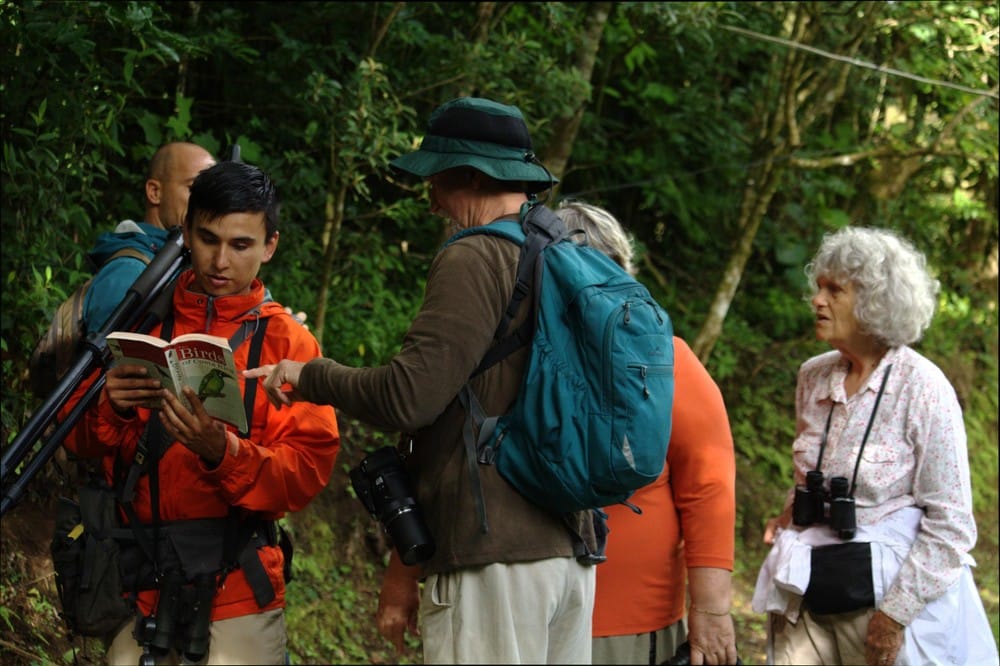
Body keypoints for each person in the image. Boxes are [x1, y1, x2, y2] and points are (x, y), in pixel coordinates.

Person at [246, 97, 600, 664]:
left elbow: (409, 397)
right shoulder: (561, 254)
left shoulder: (476, 256)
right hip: (569, 554)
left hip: (493, 562)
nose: (431, 197)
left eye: (437, 177)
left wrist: (309, 375)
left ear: (471, 174)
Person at [61, 160, 341, 664]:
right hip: (140, 579)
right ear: (186, 232)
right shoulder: (143, 319)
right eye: (208, 238)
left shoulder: (288, 343)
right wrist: (111, 407)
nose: (220, 261)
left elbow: (306, 472)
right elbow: (75, 440)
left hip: (239, 586)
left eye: (241, 245)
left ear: (270, 246)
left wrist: (224, 453)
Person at [752, 227, 997, 666]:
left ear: (874, 302)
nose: (817, 300)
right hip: (806, 590)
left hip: (884, 601)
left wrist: (895, 615)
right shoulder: (813, 376)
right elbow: (812, 472)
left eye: (834, 290)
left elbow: (952, 523)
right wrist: (789, 514)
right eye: (818, 287)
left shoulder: (922, 386)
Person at [554, 201, 739, 666]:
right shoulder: (519, 361)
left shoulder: (666, 362)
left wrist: (712, 609)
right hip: (535, 609)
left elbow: (708, 489)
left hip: (630, 622)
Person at [83, 141, 216, 333]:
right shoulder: (130, 269)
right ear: (155, 192)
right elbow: (108, 349)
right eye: (194, 189)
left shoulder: (182, 261)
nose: (209, 203)